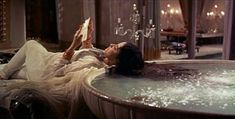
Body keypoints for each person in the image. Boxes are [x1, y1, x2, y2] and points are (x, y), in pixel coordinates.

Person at [0, 20, 144, 81]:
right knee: (7, 67)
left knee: (31, 44)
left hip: (44, 70)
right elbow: (87, 52)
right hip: (45, 63)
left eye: (115, 47)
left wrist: (73, 44)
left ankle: (4, 74)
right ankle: (4, 73)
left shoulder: (90, 65)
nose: (112, 44)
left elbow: (55, 73)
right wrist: (87, 41)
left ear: (116, 61)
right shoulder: (102, 56)